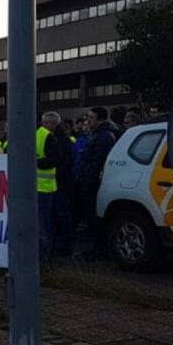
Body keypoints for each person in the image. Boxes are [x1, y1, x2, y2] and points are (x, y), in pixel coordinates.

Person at [74, 106, 118, 257]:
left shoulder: (104, 136)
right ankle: (97, 249)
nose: (88, 121)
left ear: (100, 119)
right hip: (91, 181)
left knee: (95, 218)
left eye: (91, 118)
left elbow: (97, 162)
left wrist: (87, 182)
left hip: (94, 184)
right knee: (92, 218)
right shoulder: (98, 134)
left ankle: (100, 251)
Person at [35, 113, 61, 261]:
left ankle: (41, 258)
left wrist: (36, 162)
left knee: (40, 226)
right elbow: (56, 159)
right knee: (44, 226)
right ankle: (43, 259)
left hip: (38, 188)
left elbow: (54, 159)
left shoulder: (38, 134)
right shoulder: (48, 136)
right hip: (44, 188)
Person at [50, 115, 75, 256]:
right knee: (58, 215)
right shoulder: (61, 139)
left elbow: (63, 163)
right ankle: (60, 245)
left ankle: (63, 246)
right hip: (58, 182)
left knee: (61, 215)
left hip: (60, 183)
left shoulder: (61, 141)